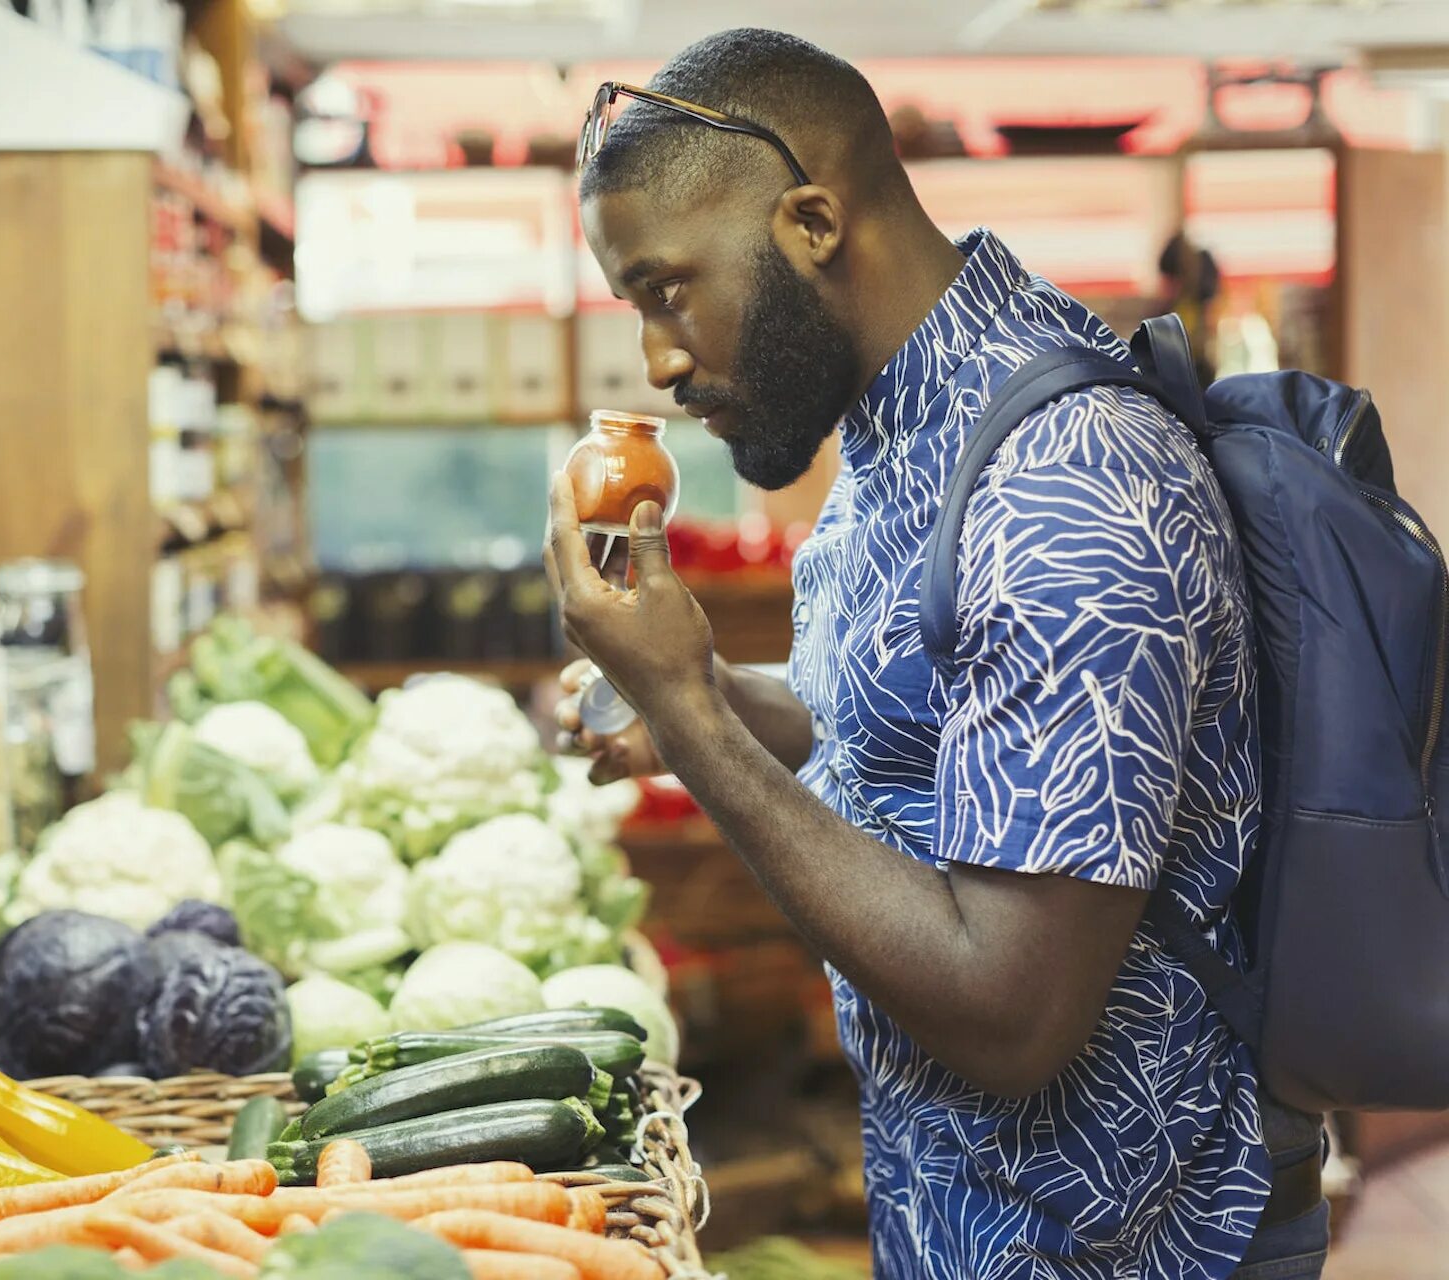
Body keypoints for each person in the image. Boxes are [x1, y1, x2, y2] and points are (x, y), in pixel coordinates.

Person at [551, 29, 1327, 1280]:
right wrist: (709, 700)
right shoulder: (905, 423)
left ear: (810, 221)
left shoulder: (1067, 487)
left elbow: (1012, 1015)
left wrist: (687, 706)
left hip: (1123, 1247)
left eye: (667, 289)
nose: (659, 360)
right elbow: (901, 726)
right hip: (966, 1215)